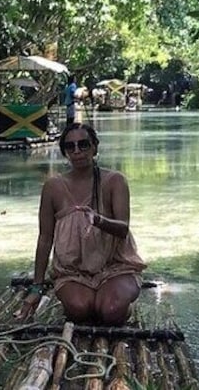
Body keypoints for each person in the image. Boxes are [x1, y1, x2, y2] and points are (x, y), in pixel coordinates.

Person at [20, 123, 146, 325]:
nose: (77, 151)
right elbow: (45, 238)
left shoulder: (115, 181)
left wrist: (99, 220)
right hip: (73, 271)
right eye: (70, 147)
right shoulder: (53, 187)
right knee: (80, 311)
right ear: (65, 152)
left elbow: (123, 229)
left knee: (111, 312)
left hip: (115, 265)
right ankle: (88, 298)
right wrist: (36, 287)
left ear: (95, 147)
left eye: (83, 145)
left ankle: (122, 305)